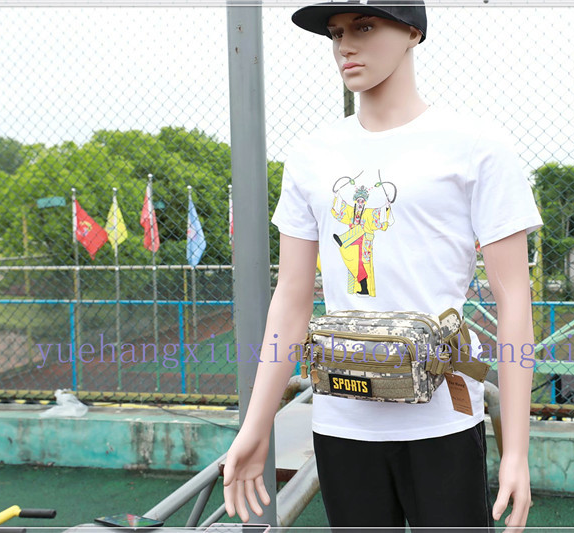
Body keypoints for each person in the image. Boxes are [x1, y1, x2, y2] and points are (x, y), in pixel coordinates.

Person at [222, 1, 543, 530]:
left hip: (442, 421)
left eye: (365, 26)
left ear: (413, 32)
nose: (345, 46)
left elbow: (514, 300)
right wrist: (256, 426)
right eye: (336, 32)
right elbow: (292, 296)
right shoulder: (311, 155)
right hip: (342, 421)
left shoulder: (476, 147)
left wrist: (517, 451)